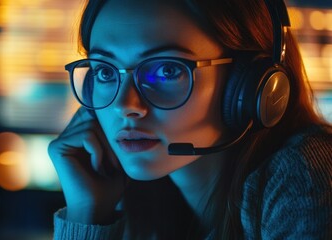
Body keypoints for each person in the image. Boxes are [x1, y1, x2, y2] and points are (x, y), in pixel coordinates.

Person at [48, 0, 332, 239]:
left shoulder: (305, 174)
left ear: (250, 84)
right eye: (106, 73)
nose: (125, 106)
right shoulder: (138, 199)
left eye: (167, 71)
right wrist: (87, 214)